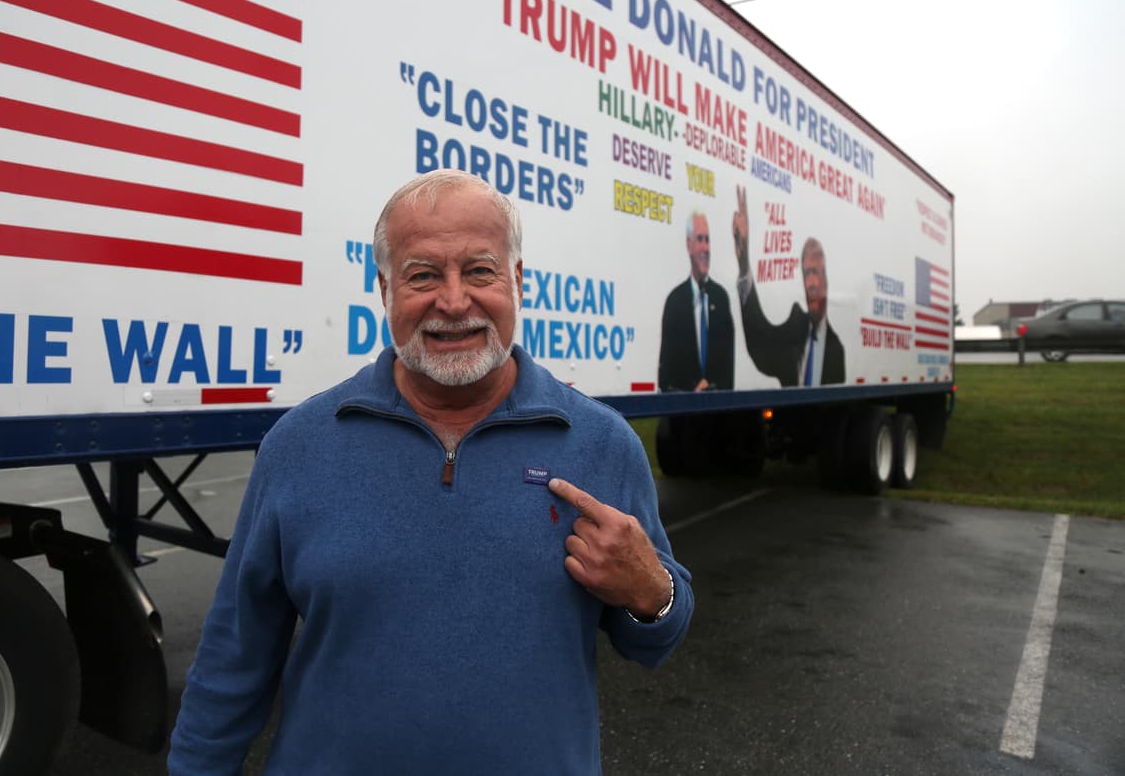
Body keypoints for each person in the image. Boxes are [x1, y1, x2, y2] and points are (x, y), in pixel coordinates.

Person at [167, 169, 693, 775]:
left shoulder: (601, 445)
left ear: (517, 281)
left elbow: (657, 636)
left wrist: (653, 593)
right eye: (422, 275)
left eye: (479, 270)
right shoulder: (298, 446)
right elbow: (235, 655)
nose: (453, 301)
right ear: (386, 288)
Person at [731, 185, 845, 386]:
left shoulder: (836, 350)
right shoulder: (795, 326)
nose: (810, 283)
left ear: (827, 279)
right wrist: (743, 262)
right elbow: (760, 340)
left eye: (815, 273)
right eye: (806, 274)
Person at [658, 210, 735, 391]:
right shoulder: (674, 302)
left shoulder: (721, 299)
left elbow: (728, 367)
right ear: (689, 245)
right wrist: (691, 393)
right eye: (700, 239)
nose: (706, 248)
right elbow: (665, 377)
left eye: (707, 240)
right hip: (683, 414)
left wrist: (712, 386)